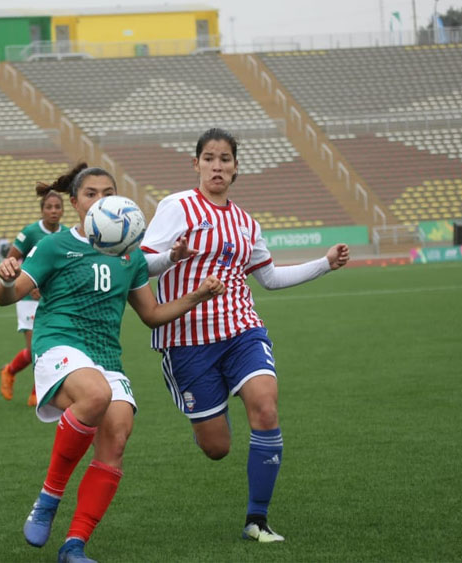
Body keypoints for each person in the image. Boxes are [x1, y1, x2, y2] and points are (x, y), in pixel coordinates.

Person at [0, 164, 225, 563]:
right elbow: (8, 297)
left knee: (117, 433)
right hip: (59, 345)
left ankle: (74, 546)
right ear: (75, 203)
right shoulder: (54, 246)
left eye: (108, 192)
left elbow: (151, 314)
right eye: (90, 194)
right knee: (96, 395)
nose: (100, 200)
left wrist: (196, 296)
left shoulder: (130, 256)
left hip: (105, 355)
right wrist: (5, 278)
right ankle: (48, 498)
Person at [140, 128, 351, 543]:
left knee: (266, 407)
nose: (217, 166)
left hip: (242, 331)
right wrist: (172, 257)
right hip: (187, 342)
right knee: (216, 447)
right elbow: (141, 268)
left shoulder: (245, 223)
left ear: (236, 168)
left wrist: (325, 263)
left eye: (225, 159)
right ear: (196, 163)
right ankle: (208, 409)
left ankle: (258, 520)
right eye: (209, 158)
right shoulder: (176, 207)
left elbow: (269, 279)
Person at [0, 187, 68, 407]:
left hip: (53, 299)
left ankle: (37, 392)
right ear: (42, 210)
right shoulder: (30, 232)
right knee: (32, 350)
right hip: (29, 299)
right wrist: (29, 286)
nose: (53, 211)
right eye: (49, 207)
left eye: (58, 207)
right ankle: (9, 371)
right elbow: (11, 262)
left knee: (49, 347)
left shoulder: (66, 234)